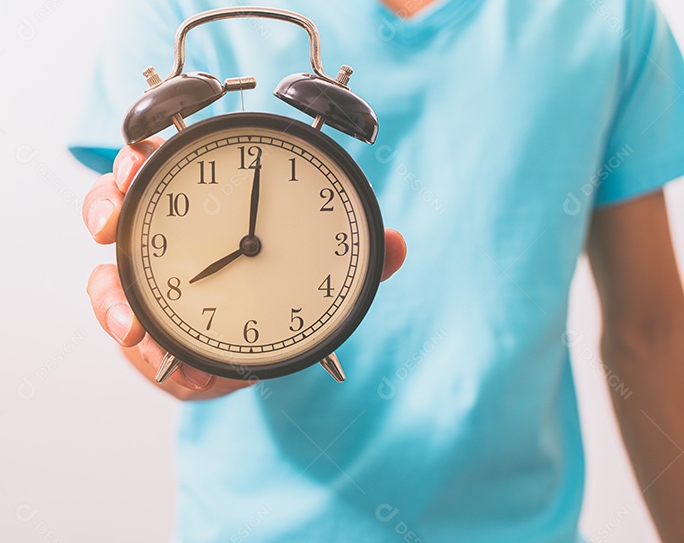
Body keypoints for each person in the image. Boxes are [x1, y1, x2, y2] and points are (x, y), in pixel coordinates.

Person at [71, 0, 684, 541]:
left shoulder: (612, 15)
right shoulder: (176, 5)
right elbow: (139, 283)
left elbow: (652, 334)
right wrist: (173, 347)